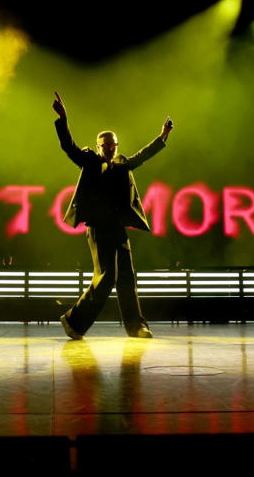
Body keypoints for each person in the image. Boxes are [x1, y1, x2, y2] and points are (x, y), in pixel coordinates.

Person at [52, 91, 173, 339]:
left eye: (114, 145)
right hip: (97, 228)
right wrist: (63, 119)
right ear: (99, 146)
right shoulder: (89, 161)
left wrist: (163, 137)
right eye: (107, 145)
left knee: (127, 277)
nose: (111, 148)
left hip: (117, 228)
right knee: (107, 278)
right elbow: (68, 147)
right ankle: (73, 322)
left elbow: (143, 156)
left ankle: (136, 325)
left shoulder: (121, 165)